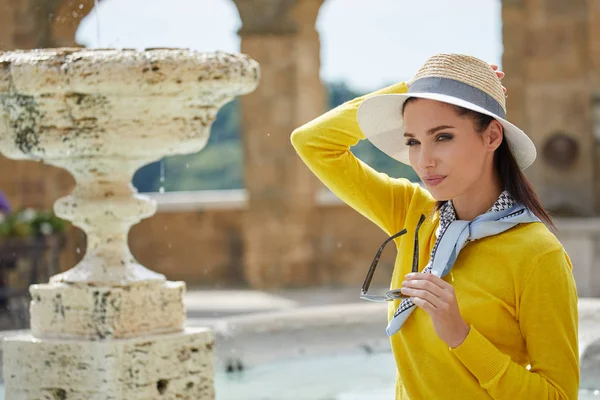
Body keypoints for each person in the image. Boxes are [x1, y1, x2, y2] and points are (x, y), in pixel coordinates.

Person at [291, 54, 579, 399]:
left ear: (491, 137)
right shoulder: (413, 212)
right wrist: (416, 88)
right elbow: (312, 142)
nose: (424, 161)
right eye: (413, 141)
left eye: (442, 137)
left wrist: (461, 336)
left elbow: (559, 395)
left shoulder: (537, 254)